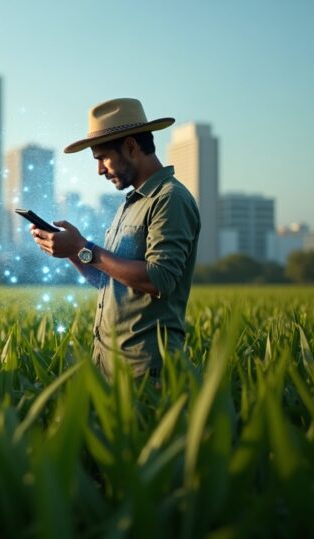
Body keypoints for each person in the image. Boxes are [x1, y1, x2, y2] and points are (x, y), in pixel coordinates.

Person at [31, 98, 200, 379]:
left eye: (102, 158)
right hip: (108, 366)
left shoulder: (170, 199)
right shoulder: (129, 205)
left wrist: (83, 247)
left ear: (131, 147)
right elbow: (109, 281)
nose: (99, 170)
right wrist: (72, 251)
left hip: (146, 371)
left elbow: (159, 279)